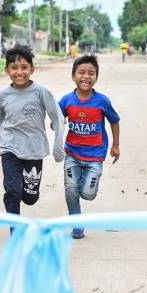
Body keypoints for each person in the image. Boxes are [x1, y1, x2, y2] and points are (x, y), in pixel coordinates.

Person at [0, 46, 65, 219]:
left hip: (34, 149)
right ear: (6, 70)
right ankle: (15, 227)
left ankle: (25, 192)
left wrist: (58, 149)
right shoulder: (2, 95)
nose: (19, 72)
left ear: (32, 69)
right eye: (14, 68)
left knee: (30, 198)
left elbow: (58, 118)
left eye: (24, 67)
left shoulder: (41, 92)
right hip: (10, 147)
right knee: (12, 191)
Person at [58, 55, 120, 239]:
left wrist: (116, 145)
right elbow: (57, 120)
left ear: (96, 78)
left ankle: (86, 187)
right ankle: (77, 227)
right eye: (81, 73)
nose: (86, 77)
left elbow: (115, 121)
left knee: (87, 194)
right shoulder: (66, 101)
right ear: (73, 76)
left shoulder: (102, 101)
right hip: (72, 154)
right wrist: (58, 123)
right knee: (70, 192)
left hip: (95, 157)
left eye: (91, 73)